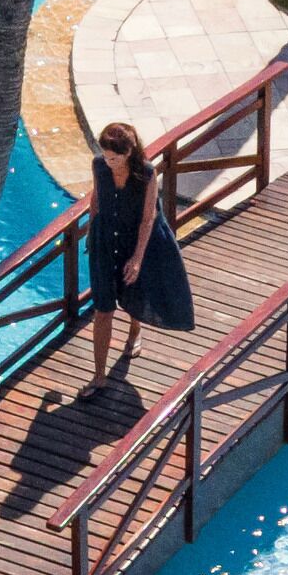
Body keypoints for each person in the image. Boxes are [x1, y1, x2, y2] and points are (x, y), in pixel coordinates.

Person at [87, 119, 193, 384]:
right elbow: (96, 199)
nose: (108, 161)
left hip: (136, 241)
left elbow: (148, 218)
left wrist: (137, 258)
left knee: (134, 294)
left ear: (128, 153)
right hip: (105, 240)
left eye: (114, 158)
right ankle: (99, 376)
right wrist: (91, 233)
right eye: (106, 156)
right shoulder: (99, 166)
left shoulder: (146, 173)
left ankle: (135, 330)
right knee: (103, 309)